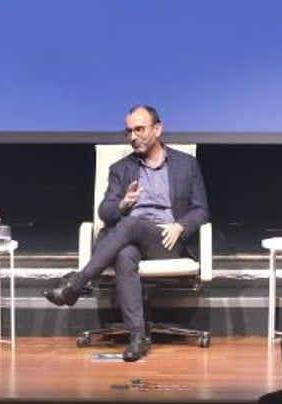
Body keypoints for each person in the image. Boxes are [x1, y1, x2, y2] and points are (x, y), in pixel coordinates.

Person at [43, 105, 210, 362]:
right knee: (124, 253)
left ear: (157, 129)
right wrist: (123, 204)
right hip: (127, 238)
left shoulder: (185, 165)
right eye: (129, 131)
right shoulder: (121, 169)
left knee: (131, 225)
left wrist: (180, 226)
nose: (133, 136)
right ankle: (136, 336)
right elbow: (105, 211)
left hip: (166, 241)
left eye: (139, 130)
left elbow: (201, 210)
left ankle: (76, 284)